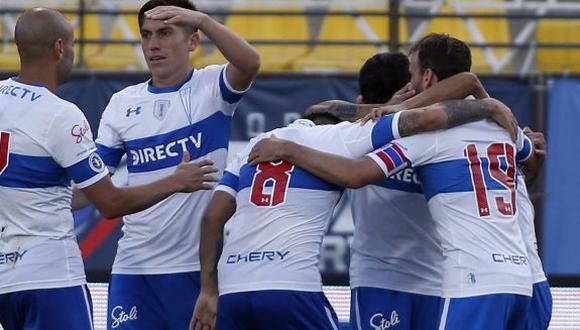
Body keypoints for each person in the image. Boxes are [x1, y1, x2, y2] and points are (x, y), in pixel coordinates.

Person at [191, 97, 519, 330]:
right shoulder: (340, 137)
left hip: (232, 290)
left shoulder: (256, 144)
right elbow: (428, 119)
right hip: (289, 287)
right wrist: (486, 106)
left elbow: (211, 218)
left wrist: (208, 290)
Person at [0, 7, 219, 330]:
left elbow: (79, 193)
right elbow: (110, 203)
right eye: (73, 45)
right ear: (60, 48)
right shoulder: (60, 115)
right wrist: (175, 181)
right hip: (50, 275)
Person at [91, 1, 260, 329]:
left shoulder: (212, 87)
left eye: (165, 33)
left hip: (195, 271)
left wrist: (202, 19)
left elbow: (250, 62)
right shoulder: (122, 103)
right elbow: (94, 187)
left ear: (193, 42)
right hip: (133, 270)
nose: (153, 45)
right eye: (146, 35)